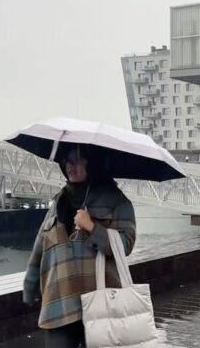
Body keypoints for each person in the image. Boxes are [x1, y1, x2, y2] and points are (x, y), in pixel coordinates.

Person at [23, 144, 136, 347]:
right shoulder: (59, 202)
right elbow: (40, 246)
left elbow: (126, 244)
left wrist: (92, 227)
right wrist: (29, 287)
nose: (70, 166)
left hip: (99, 303)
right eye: (67, 162)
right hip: (59, 302)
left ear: (92, 164)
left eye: (77, 161)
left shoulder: (117, 202)